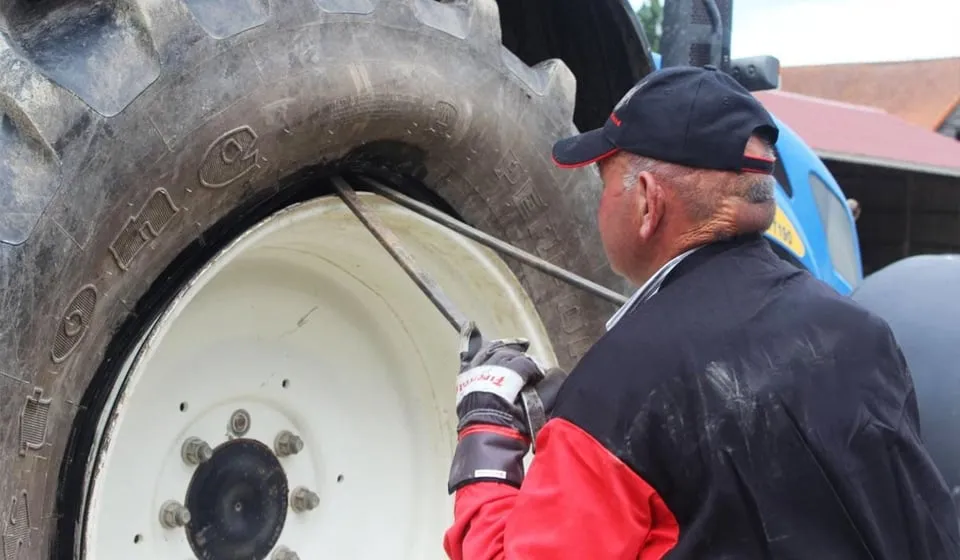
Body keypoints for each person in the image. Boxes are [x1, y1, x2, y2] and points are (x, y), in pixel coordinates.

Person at [441, 65, 960, 559]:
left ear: (647, 201)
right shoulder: (862, 334)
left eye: (603, 185)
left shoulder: (619, 391)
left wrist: (486, 437)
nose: (600, 206)